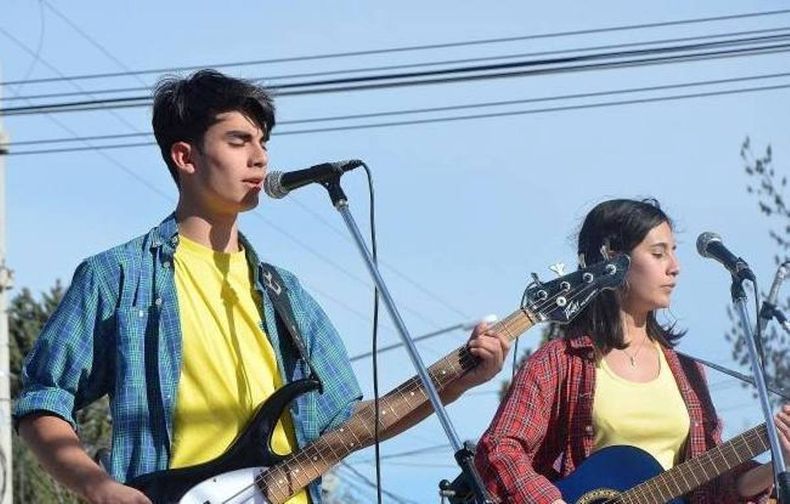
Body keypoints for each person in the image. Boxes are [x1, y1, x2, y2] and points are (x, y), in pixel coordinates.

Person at [14, 69, 510, 504]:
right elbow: (43, 401)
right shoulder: (118, 276)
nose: (260, 158)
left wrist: (458, 382)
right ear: (185, 156)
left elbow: (348, 422)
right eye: (238, 141)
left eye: (264, 142)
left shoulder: (284, 294)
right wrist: (99, 486)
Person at [474, 198, 790, 503]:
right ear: (612, 257)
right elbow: (499, 448)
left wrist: (777, 460)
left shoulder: (688, 373)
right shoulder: (560, 361)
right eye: (658, 253)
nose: (675, 267)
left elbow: (713, 488)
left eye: (674, 252)